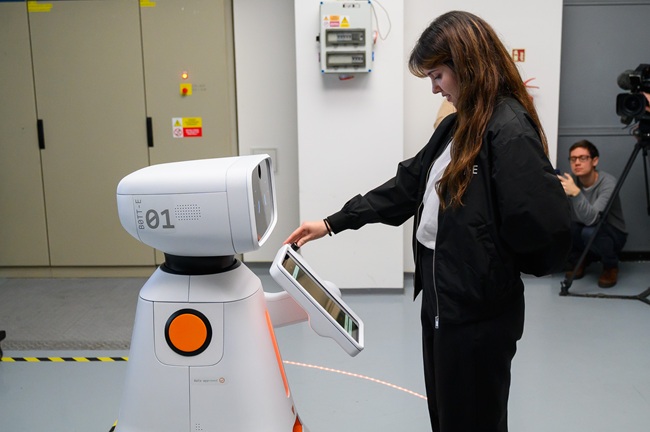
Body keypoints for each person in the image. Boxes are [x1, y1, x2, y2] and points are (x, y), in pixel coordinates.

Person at [284, 11, 571, 432]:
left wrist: (489, 265)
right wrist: (332, 223)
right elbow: (407, 186)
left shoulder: (508, 128)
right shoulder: (458, 126)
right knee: (448, 416)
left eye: (438, 75)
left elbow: (544, 224)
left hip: (477, 312)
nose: (435, 87)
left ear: (467, 64)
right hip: (441, 300)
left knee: (474, 420)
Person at [558, 140, 627, 288]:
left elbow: (593, 219)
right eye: (573, 159)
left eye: (583, 158)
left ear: (594, 161)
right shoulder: (571, 180)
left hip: (612, 233)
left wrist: (576, 194)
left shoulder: (608, 182)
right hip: (584, 227)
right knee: (566, 225)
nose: (577, 163)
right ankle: (579, 261)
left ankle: (610, 266)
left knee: (590, 231)